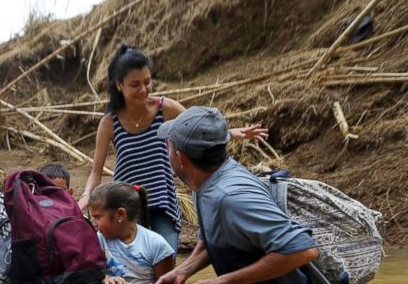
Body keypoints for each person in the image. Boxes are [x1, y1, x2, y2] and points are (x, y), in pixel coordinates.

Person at [79, 44, 268, 251]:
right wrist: (85, 198)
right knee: (133, 267)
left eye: (147, 82)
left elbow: (199, 130)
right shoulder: (109, 123)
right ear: (119, 85)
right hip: (126, 206)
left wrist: (232, 133)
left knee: (166, 257)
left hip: (163, 200)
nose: (143, 89)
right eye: (135, 85)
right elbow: (95, 173)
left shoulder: (164, 108)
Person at [151, 106, 320, 284]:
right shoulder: (203, 184)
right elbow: (214, 238)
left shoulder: (230, 198)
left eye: (168, 146)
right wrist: (183, 270)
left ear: (181, 158)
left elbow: (302, 250)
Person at [89, 182, 174, 284]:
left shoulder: (156, 244)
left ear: (120, 214)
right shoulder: (100, 239)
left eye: (98, 217)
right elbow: (90, 273)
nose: (94, 223)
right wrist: (104, 278)